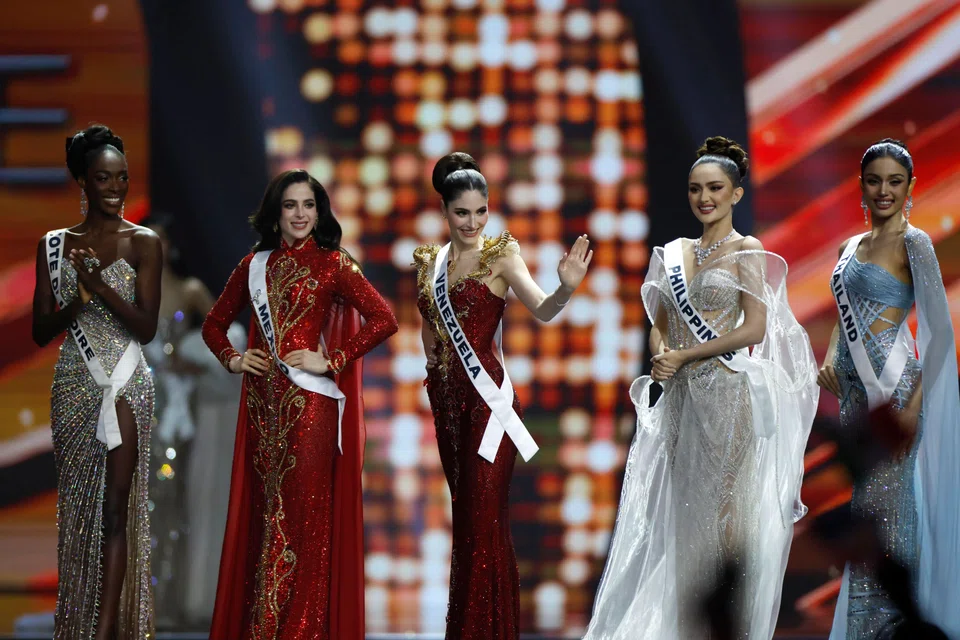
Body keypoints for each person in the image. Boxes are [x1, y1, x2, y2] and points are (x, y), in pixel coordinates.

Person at [584, 137, 818, 639]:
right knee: (685, 517)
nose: (704, 198)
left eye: (715, 188)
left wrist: (685, 354)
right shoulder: (675, 253)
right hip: (683, 401)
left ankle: (722, 626)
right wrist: (660, 350)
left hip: (729, 399)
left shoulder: (747, 250)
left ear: (736, 193)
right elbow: (661, 321)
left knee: (725, 523)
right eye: (695, 189)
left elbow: (754, 329)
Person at [202, 169, 398, 640]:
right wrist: (232, 359)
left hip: (310, 411)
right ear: (275, 212)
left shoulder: (333, 264)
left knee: (303, 523)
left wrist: (331, 359)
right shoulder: (254, 265)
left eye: (308, 205)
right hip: (261, 413)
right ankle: (265, 627)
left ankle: (296, 631)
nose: (300, 214)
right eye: (290, 205)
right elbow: (214, 324)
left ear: (319, 211)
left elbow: (383, 318)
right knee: (266, 517)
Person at [414, 152, 593, 640]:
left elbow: (543, 309)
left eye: (480, 211)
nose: (472, 223)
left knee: (483, 521)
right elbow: (429, 333)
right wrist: (434, 368)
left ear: (489, 209)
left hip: (489, 407)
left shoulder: (501, 256)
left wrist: (566, 289)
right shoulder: (430, 264)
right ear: (445, 211)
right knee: (468, 525)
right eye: (461, 213)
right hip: (448, 408)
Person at [820, 139, 960, 639]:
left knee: (890, 516)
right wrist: (831, 354)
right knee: (866, 514)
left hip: (895, 399)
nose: (884, 190)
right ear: (861, 186)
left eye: (894, 181)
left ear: (911, 188)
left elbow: (940, 337)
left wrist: (911, 411)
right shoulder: (846, 249)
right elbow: (844, 313)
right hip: (857, 402)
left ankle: (890, 628)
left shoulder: (914, 243)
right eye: (875, 180)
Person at [31, 124, 161, 639]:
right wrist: (78, 299)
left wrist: (98, 285)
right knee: (79, 510)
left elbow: (147, 328)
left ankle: (106, 630)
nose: (115, 188)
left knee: (115, 506)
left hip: (127, 381)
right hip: (74, 384)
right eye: (103, 178)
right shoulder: (55, 246)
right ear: (82, 182)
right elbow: (42, 330)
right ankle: (77, 622)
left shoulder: (143, 242)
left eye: (122, 178)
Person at [140, 213, 216, 626]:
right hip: (136, 409)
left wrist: (194, 362)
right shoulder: (126, 293)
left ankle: (166, 604)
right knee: (135, 505)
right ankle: (134, 606)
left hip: (175, 413)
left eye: (161, 240)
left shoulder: (189, 291)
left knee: (170, 502)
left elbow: (226, 337)